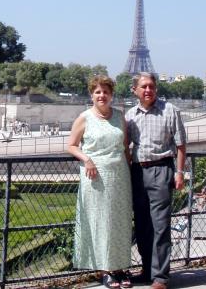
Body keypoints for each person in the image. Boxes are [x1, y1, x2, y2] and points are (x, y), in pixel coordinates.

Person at [67, 75, 133, 289]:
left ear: (112, 95)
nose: (102, 95)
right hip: (94, 176)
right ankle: (104, 269)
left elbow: (125, 147)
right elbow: (71, 145)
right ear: (91, 95)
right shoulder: (84, 118)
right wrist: (87, 159)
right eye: (98, 92)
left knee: (120, 222)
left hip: (120, 176)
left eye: (105, 92)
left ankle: (121, 266)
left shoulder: (120, 117)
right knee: (100, 222)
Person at [125, 72, 186, 289]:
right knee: (142, 224)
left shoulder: (170, 110)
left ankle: (161, 276)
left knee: (160, 225)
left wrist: (179, 173)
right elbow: (126, 146)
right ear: (135, 90)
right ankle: (147, 270)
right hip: (138, 172)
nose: (148, 90)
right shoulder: (130, 115)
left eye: (151, 86)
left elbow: (180, 145)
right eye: (143, 87)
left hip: (161, 170)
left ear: (156, 88)